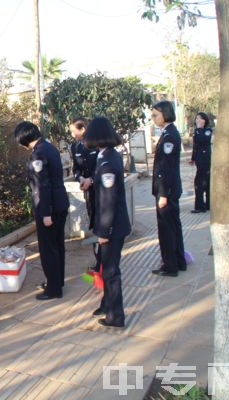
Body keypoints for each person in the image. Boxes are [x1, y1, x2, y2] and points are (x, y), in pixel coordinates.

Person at [14, 121, 70, 300]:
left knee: (48, 249)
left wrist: (45, 213)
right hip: (59, 204)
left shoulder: (38, 154)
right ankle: (57, 281)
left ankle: (53, 289)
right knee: (58, 246)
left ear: (24, 138)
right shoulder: (49, 147)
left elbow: (41, 186)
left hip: (49, 208)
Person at [84, 117, 130, 328]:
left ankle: (115, 316)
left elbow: (108, 201)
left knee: (111, 273)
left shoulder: (108, 162)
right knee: (108, 269)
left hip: (112, 227)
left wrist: (105, 231)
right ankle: (108, 306)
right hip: (112, 225)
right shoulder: (107, 156)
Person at [150, 101, 187, 277]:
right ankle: (179, 261)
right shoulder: (168, 133)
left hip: (167, 191)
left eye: (155, 115)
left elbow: (167, 168)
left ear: (165, 114)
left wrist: (163, 193)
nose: (153, 118)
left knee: (167, 229)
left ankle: (170, 266)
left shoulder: (169, 135)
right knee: (174, 226)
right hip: (169, 189)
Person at [69, 117, 99, 272]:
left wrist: (92, 180)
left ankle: (103, 263)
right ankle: (98, 262)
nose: (73, 135)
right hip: (88, 193)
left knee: (103, 226)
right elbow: (76, 169)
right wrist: (81, 178)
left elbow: (102, 168)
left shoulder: (98, 144)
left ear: (83, 130)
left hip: (101, 192)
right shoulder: (75, 147)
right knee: (94, 224)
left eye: (74, 132)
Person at [189, 112, 212, 213]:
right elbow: (195, 145)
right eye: (196, 119)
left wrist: (199, 129)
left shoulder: (208, 130)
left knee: (200, 182)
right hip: (199, 159)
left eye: (200, 119)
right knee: (204, 181)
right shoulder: (196, 131)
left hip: (205, 159)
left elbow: (203, 140)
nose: (197, 120)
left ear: (204, 120)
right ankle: (205, 205)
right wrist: (193, 158)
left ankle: (201, 206)